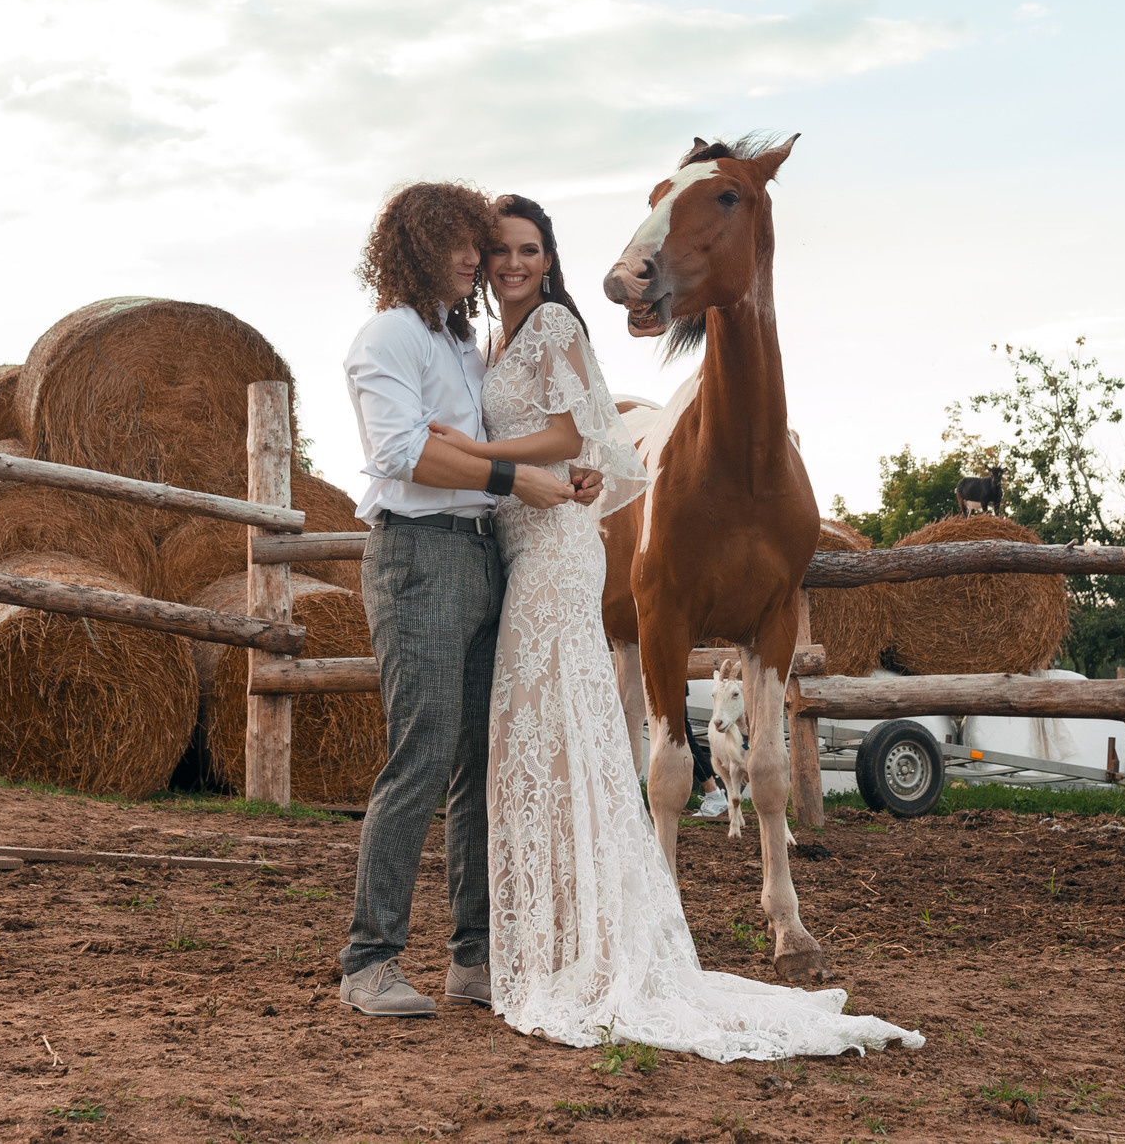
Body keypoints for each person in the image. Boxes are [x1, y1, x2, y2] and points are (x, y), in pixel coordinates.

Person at [421, 192, 924, 1061]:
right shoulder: (490, 344)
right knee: (534, 746)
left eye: (528, 249)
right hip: (523, 547)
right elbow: (576, 440)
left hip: (549, 550)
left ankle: (627, 919)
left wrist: (480, 460)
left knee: (554, 739)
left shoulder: (551, 328)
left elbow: (580, 435)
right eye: (498, 249)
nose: (511, 263)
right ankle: (539, 928)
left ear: (549, 258)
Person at [335, 181, 602, 1018]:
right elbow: (400, 453)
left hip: (486, 554)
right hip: (418, 555)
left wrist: (562, 469)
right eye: (459, 240)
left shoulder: (462, 344)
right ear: (417, 244)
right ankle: (368, 960)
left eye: (478, 242)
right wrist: (512, 473)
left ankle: (472, 958)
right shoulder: (388, 335)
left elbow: (526, 430)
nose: (475, 256)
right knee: (422, 750)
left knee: (480, 762)